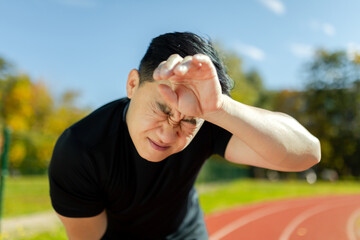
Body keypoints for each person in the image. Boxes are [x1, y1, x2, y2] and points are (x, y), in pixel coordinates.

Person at [48, 32, 321, 239]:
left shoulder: (207, 117)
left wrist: (220, 108)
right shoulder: (79, 150)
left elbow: (307, 154)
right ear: (133, 84)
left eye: (188, 120)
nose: (168, 133)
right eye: (161, 109)